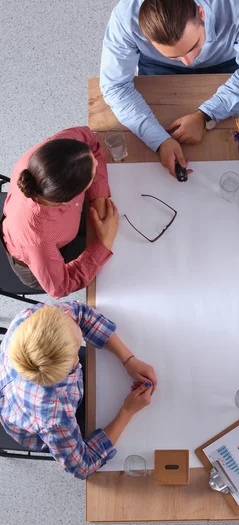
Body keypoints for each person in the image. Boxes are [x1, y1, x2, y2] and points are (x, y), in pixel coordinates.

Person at [100, 0, 239, 178]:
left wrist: (206, 115)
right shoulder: (125, 19)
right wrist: (159, 139)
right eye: (176, 55)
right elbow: (116, 87)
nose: (188, 62)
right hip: (159, 65)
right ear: (144, 35)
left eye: (193, 46)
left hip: (225, 61)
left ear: (201, 13)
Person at [0, 301, 157, 479]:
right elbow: (83, 465)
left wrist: (128, 359)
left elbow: (80, 314)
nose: (70, 316)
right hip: (28, 420)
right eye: (78, 343)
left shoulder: (30, 319)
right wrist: (127, 411)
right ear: (72, 367)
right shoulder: (55, 417)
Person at [1, 126, 119, 299]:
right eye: (92, 176)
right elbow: (60, 288)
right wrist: (103, 244)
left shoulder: (56, 151)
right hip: (36, 265)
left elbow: (91, 141)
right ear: (70, 199)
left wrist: (99, 197)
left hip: (57, 233)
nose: (96, 161)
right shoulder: (38, 240)